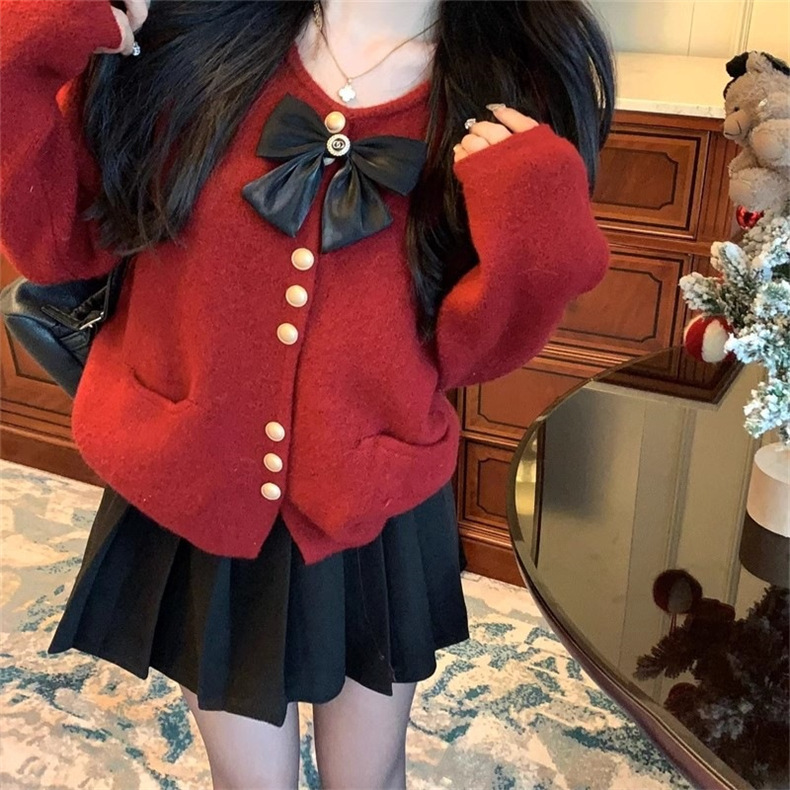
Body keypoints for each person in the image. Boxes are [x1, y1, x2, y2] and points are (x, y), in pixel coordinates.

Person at [0, 0, 615, 787]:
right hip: (200, 487)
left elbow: (472, 353)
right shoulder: (182, 31)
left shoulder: (509, 83)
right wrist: (26, 41)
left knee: (369, 775)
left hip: (372, 498)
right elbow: (58, 243)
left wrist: (540, 241)